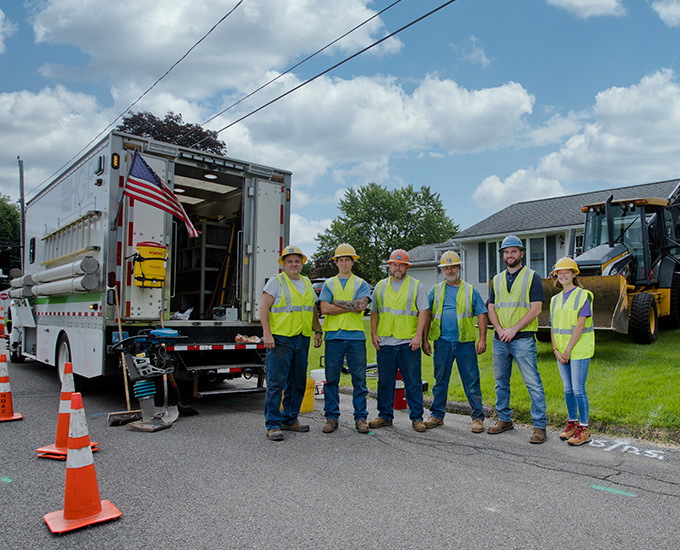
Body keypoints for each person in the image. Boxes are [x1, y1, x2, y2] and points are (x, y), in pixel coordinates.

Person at [486, 235, 548, 444]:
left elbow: (536, 308)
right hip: (499, 339)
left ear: (521, 253)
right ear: (503, 255)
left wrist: (512, 330)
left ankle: (539, 426)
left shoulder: (532, 277)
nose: (510, 255)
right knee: (501, 383)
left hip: (522, 338)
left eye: (513, 251)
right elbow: (491, 307)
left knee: (533, 383)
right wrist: (501, 329)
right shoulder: (496, 279)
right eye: (506, 252)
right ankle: (504, 419)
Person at [260, 245, 322, 441]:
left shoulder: (306, 282)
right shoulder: (275, 282)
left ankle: (290, 418)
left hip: (302, 339)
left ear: (302, 263)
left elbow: (311, 308)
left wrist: (318, 330)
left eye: (297, 261)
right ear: (283, 264)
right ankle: (272, 424)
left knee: (297, 383)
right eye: (290, 261)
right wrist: (267, 334)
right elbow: (263, 309)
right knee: (276, 383)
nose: (294, 264)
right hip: (280, 339)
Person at [422, 251, 488, 433]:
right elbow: (427, 315)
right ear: (442, 270)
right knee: (440, 380)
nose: (450, 270)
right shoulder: (435, 290)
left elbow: (482, 315)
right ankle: (436, 416)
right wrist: (424, 339)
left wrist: (482, 339)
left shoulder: (470, 290)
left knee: (471, 380)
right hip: (442, 342)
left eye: (453, 267)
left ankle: (477, 418)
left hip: (464, 342)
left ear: (459, 268)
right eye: (446, 268)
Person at [369, 249, 429, 432]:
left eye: (401, 264)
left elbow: (423, 312)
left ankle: (417, 418)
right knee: (384, 382)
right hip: (385, 342)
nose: (397, 267)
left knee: (413, 381)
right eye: (394, 264)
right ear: (390, 266)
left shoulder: (416, 285)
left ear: (406, 267)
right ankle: (385, 416)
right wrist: (373, 333)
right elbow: (375, 311)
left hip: (408, 342)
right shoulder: (380, 285)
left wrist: (418, 335)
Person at [318, 243, 372, 434]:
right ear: (336, 262)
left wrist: (335, 302)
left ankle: (361, 418)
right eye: (341, 260)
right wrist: (351, 305)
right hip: (333, 337)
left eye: (347, 259)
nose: (344, 263)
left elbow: (361, 306)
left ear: (352, 262)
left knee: (359, 380)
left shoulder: (361, 283)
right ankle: (331, 417)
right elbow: (324, 309)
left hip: (356, 337)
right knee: (331, 379)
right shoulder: (329, 283)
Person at [550, 257, 594, 446]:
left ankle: (584, 429)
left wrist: (567, 350)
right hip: (561, 351)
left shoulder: (583, 295)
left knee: (578, 390)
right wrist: (555, 350)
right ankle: (572, 424)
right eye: (560, 272)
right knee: (568, 389)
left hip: (579, 349)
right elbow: (552, 327)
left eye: (567, 271)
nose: (563, 275)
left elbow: (580, 325)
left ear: (574, 274)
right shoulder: (554, 299)